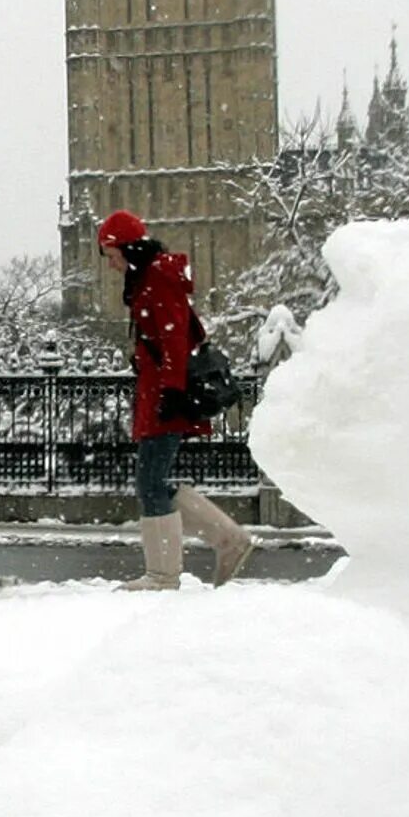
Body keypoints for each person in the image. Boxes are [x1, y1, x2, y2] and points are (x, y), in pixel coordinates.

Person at [96, 209, 255, 590]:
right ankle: (226, 541)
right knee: (152, 479)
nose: (112, 264)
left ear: (128, 248)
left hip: (167, 395)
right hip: (160, 392)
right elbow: (165, 336)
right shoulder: (149, 279)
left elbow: (174, 339)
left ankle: (166, 573)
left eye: (112, 254)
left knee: (150, 480)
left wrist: (170, 390)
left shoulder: (157, 279)